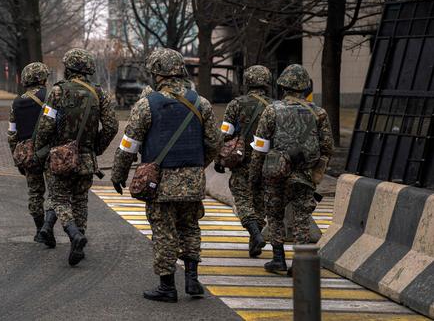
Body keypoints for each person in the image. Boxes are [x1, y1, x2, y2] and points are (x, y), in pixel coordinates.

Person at [111, 48, 220, 303]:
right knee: (190, 227)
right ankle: (192, 280)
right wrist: (197, 166)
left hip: (159, 183)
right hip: (193, 181)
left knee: (164, 231)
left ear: (157, 73)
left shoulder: (147, 104)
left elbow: (130, 144)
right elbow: (214, 142)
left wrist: (119, 173)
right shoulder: (200, 102)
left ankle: (167, 286)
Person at [34, 48, 118, 266]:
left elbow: (45, 125)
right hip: (86, 158)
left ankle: (73, 234)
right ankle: (77, 241)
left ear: (68, 68)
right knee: (80, 200)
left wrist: (41, 148)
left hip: (60, 157)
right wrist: (95, 148)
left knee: (60, 199)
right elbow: (111, 126)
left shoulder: (58, 91)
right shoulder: (100, 93)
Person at [249, 64, 334, 273]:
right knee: (301, 217)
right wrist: (317, 172)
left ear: (283, 86)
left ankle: (278, 258)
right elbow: (327, 147)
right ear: (306, 87)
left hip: (275, 173)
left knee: (275, 215)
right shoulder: (319, 113)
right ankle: (300, 263)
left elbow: (260, 146)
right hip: (305, 175)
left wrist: (254, 175)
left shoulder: (272, 110)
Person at [217, 65, 273, 258]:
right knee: (259, 201)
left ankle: (255, 234)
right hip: (266, 161)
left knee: (242, 197)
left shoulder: (236, 104)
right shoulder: (275, 106)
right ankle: (254, 241)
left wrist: (219, 158)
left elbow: (225, 133)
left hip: (241, 160)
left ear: (247, 82)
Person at [8, 62, 51, 243]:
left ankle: (39, 229)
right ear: (42, 78)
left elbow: (12, 134)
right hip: (49, 151)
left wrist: (17, 158)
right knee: (55, 193)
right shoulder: (49, 97)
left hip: (28, 154)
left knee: (35, 193)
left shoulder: (17, 102)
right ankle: (48, 227)